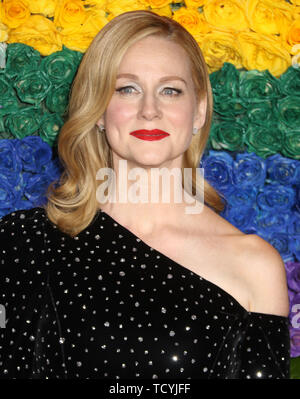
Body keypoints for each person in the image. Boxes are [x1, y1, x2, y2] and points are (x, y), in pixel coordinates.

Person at [0, 10, 290, 379]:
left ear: (198, 110)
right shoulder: (22, 241)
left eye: (170, 90)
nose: (149, 110)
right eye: (127, 89)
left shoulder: (254, 266)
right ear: (100, 110)